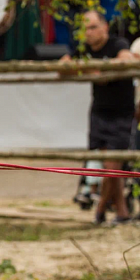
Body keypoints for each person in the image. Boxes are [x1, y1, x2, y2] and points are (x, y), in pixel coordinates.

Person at [61, 10, 134, 225]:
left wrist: (98, 71)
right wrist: (89, 71)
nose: (88, 33)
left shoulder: (117, 43)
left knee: (112, 167)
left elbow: (126, 60)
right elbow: (62, 66)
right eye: (85, 29)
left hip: (121, 113)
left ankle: (100, 210)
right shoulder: (84, 50)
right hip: (99, 111)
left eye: (92, 27)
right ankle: (122, 213)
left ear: (104, 27)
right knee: (110, 167)